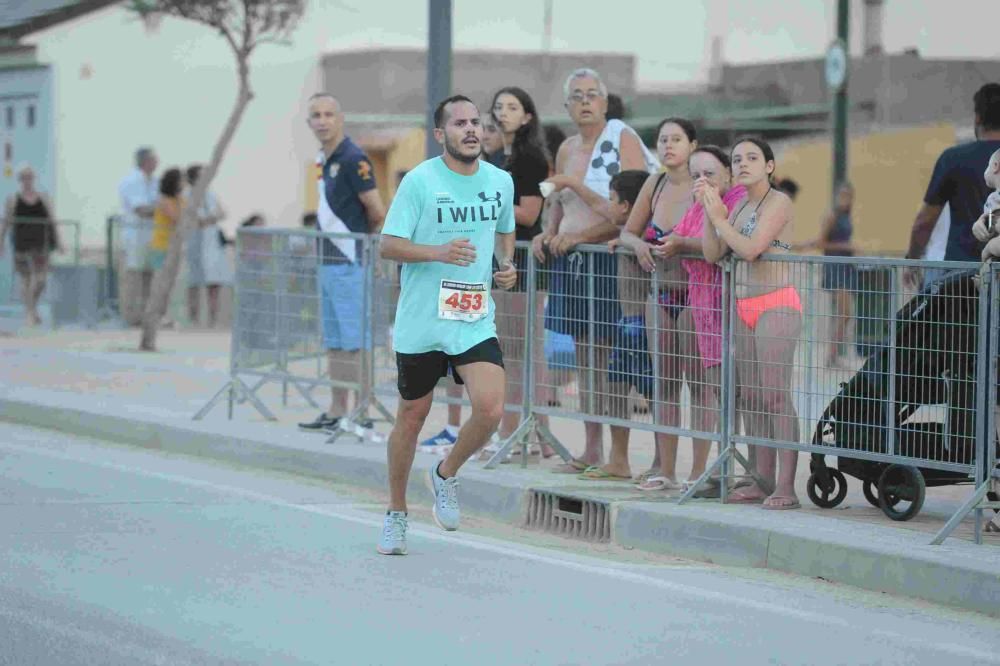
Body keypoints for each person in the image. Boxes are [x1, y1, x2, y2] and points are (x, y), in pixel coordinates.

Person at [376, 95, 517, 555]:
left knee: (492, 409)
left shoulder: (500, 181)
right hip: (423, 320)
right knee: (412, 418)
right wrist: (437, 252)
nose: (471, 130)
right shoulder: (420, 182)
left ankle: (446, 473)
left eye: (477, 122)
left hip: (473, 316)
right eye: (460, 124)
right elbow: (389, 245)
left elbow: (505, 227)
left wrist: (508, 263)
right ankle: (397, 514)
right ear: (441, 134)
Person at [532, 68, 650, 473]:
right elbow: (559, 203)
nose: (584, 101)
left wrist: (583, 239)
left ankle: (619, 455)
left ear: (604, 101)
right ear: (566, 106)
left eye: (592, 95)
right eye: (577, 96)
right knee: (584, 359)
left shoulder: (623, 139)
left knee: (612, 359)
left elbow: (633, 208)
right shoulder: (566, 149)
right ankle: (591, 448)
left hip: (609, 263)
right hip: (573, 264)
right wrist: (546, 234)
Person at [702, 137, 801, 510]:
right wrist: (711, 214)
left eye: (752, 158)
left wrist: (718, 219)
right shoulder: (739, 205)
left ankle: (787, 487)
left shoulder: (779, 201)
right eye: (737, 159)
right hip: (743, 306)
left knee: (777, 397)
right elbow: (714, 253)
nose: (743, 163)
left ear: (770, 166)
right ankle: (762, 480)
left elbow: (750, 249)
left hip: (776, 304)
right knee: (755, 399)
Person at [297, 93, 387, 433]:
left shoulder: (353, 158)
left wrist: (366, 249)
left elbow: (376, 210)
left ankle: (361, 410)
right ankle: (337, 410)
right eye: (316, 115)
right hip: (327, 261)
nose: (322, 121)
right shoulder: (325, 158)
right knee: (335, 339)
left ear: (340, 119)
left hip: (350, 261)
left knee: (355, 339)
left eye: (328, 114)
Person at [905, 83, 1000, 285]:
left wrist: (912, 259)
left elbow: (925, 221)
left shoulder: (953, 159)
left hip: (960, 277)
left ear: (978, 118)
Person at [0, 164, 60, 326]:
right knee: (26, 279)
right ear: (20, 180)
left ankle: (32, 308)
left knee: (40, 279)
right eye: (24, 177)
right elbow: (5, 223)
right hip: (21, 244)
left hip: (41, 245)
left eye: (30, 177)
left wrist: (59, 241)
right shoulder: (13, 199)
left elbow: (52, 220)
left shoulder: (43, 197)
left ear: (34, 179)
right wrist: (1, 242)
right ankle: (30, 313)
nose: (27, 180)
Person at [184, 165, 232, 328]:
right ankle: (194, 319)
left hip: (212, 243)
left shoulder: (211, 195)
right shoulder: (186, 196)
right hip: (195, 241)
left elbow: (223, 213)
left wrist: (209, 219)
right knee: (194, 282)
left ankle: (213, 320)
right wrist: (212, 218)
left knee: (214, 283)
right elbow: (196, 221)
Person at [118, 147, 159, 326]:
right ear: (145, 161)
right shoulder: (132, 181)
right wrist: (164, 211)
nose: (157, 162)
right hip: (135, 235)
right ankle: (131, 316)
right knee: (134, 276)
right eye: (153, 159)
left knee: (150, 276)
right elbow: (141, 209)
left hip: (152, 235)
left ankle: (146, 316)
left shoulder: (155, 182)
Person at [145, 167, 184, 323]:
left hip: (175, 247)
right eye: (181, 180)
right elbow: (178, 218)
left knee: (170, 283)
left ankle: (164, 315)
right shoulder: (165, 200)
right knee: (160, 282)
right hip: (161, 246)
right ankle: (154, 315)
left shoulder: (180, 200)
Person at [972, 147, 1000, 258]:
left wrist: (989, 247)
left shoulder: (993, 199)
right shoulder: (993, 199)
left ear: (995, 166)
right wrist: (980, 225)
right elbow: (990, 227)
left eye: (988, 165)